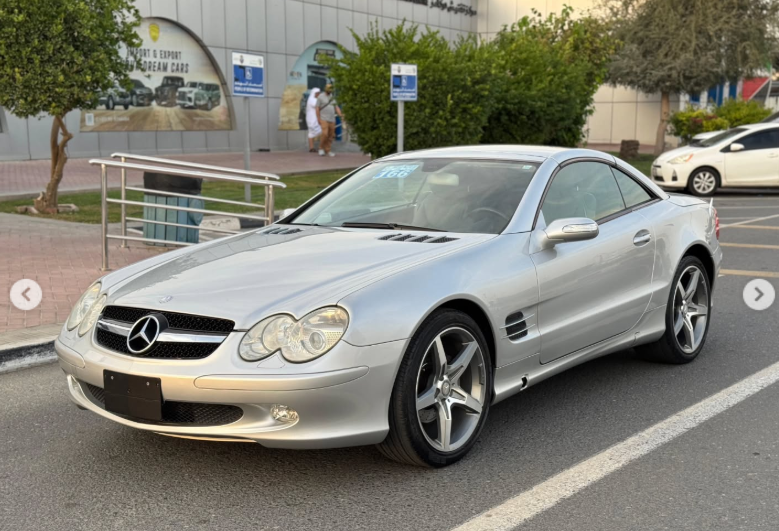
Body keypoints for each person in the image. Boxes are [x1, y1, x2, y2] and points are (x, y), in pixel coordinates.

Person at [316, 83, 343, 157]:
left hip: (332, 119)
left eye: (331, 89)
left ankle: (328, 150)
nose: (330, 91)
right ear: (326, 89)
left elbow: (336, 107)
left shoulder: (332, 97)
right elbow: (317, 108)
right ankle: (321, 148)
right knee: (324, 134)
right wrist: (318, 118)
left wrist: (340, 114)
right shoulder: (320, 97)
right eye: (329, 89)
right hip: (323, 118)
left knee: (331, 135)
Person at [305, 88, 322, 153]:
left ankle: (311, 148)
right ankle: (321, 147)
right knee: (322, 132)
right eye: (317, 93)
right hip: (313, 119)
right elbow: (319, 107)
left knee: (311, 133)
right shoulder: (312, 100)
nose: (319, 94)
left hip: (312, 119)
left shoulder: (312, 99)